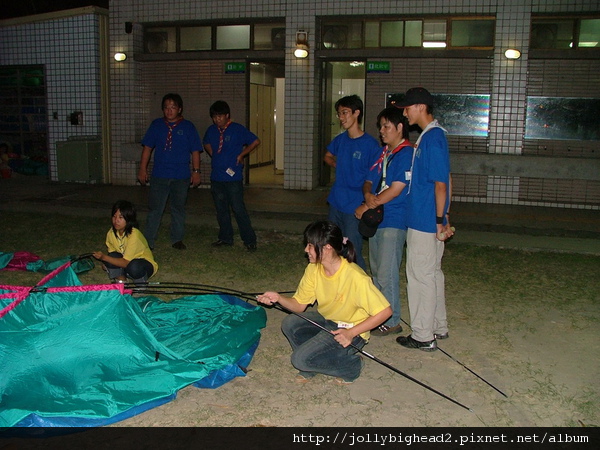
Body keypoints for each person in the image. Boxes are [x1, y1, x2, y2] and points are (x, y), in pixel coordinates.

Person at [257, 220, 392, 384]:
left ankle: (351, 367)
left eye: (310, 245)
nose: (306, 250)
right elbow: (299, 306)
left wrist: (351, 333)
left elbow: (385, 311)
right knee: (291, 323)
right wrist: (278, 298)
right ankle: (314, 364)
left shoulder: (355, 277)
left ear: (327, 247)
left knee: (298, 360)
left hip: (351, 330)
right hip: (328, 322)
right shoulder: (314, 269)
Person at [393, 87, 454, 352]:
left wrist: (440, 219)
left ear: (420, 107)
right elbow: (446, 179)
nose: (404, 113)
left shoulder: (433, 138)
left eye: (407, 108)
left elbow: (442, 183)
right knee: (432, 275)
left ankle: (422, 335)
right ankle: (438, 326)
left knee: (420, 277)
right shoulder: (430, 137)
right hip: (429, 217)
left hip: (425, 221)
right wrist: (445, 214)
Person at [355, 106, 413, 337]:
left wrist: (368, 204)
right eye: (380, 126)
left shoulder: (406, 153)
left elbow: (397, 189)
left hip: (394, 219)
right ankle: (380, 314)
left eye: (386, 126)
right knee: (377, 269)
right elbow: (369, 180)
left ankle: (392, 319)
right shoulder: (384, 152)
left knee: (387, 272)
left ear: (400, 128)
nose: (381, 131)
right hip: (379, 218)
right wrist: (368, 195)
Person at [138, 93, 202, 250]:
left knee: (178, 209)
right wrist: (142, 169)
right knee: (155, 209)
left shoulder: (188, 127)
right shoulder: (156, 125)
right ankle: (149, 241)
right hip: (160, 175)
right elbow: (147, 148)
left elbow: (195, 151)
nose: (169, 110)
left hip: (181, 176)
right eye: (166, 107)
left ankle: (177, 239)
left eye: (173, 107)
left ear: (179, 109)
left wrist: (196, 171)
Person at [323, 95, 381, 271]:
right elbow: (327, 155)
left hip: (355, 205)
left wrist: (366, 203)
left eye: (345, 112)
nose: (341, 117)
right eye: (339, 114)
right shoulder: (340, 140)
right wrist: (336, 163)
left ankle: (361, 289)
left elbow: (374, 178)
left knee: (352, 251)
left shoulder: (370, 144)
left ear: (357, 113)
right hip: (336, 202)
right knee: (332, 246)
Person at [203, 100, 260, 251]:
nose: (217, 119)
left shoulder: (237, 129)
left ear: (227, 115)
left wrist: (242, 155)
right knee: (221, 209)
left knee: (238, 208)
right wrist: (213, 153)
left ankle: (249, 240)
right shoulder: (212, 130)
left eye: (220, 116)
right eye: (214, 117)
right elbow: (206, 142)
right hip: (217, 177)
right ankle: (225, 238)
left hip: (233, 178)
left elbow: (255, 141)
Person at [93, 200, 158, 284]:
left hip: (142, 265)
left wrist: (104, 258)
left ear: (129, 218)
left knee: (134, 266)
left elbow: (126, 262)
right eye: (114, 216)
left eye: (120, 217)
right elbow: (113, 254)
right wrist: (107, 262)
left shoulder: (134, 234)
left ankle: (141, 284)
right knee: (112, 256)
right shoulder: (111, 233)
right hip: (126, 264)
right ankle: (121, 281)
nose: (116, 220)